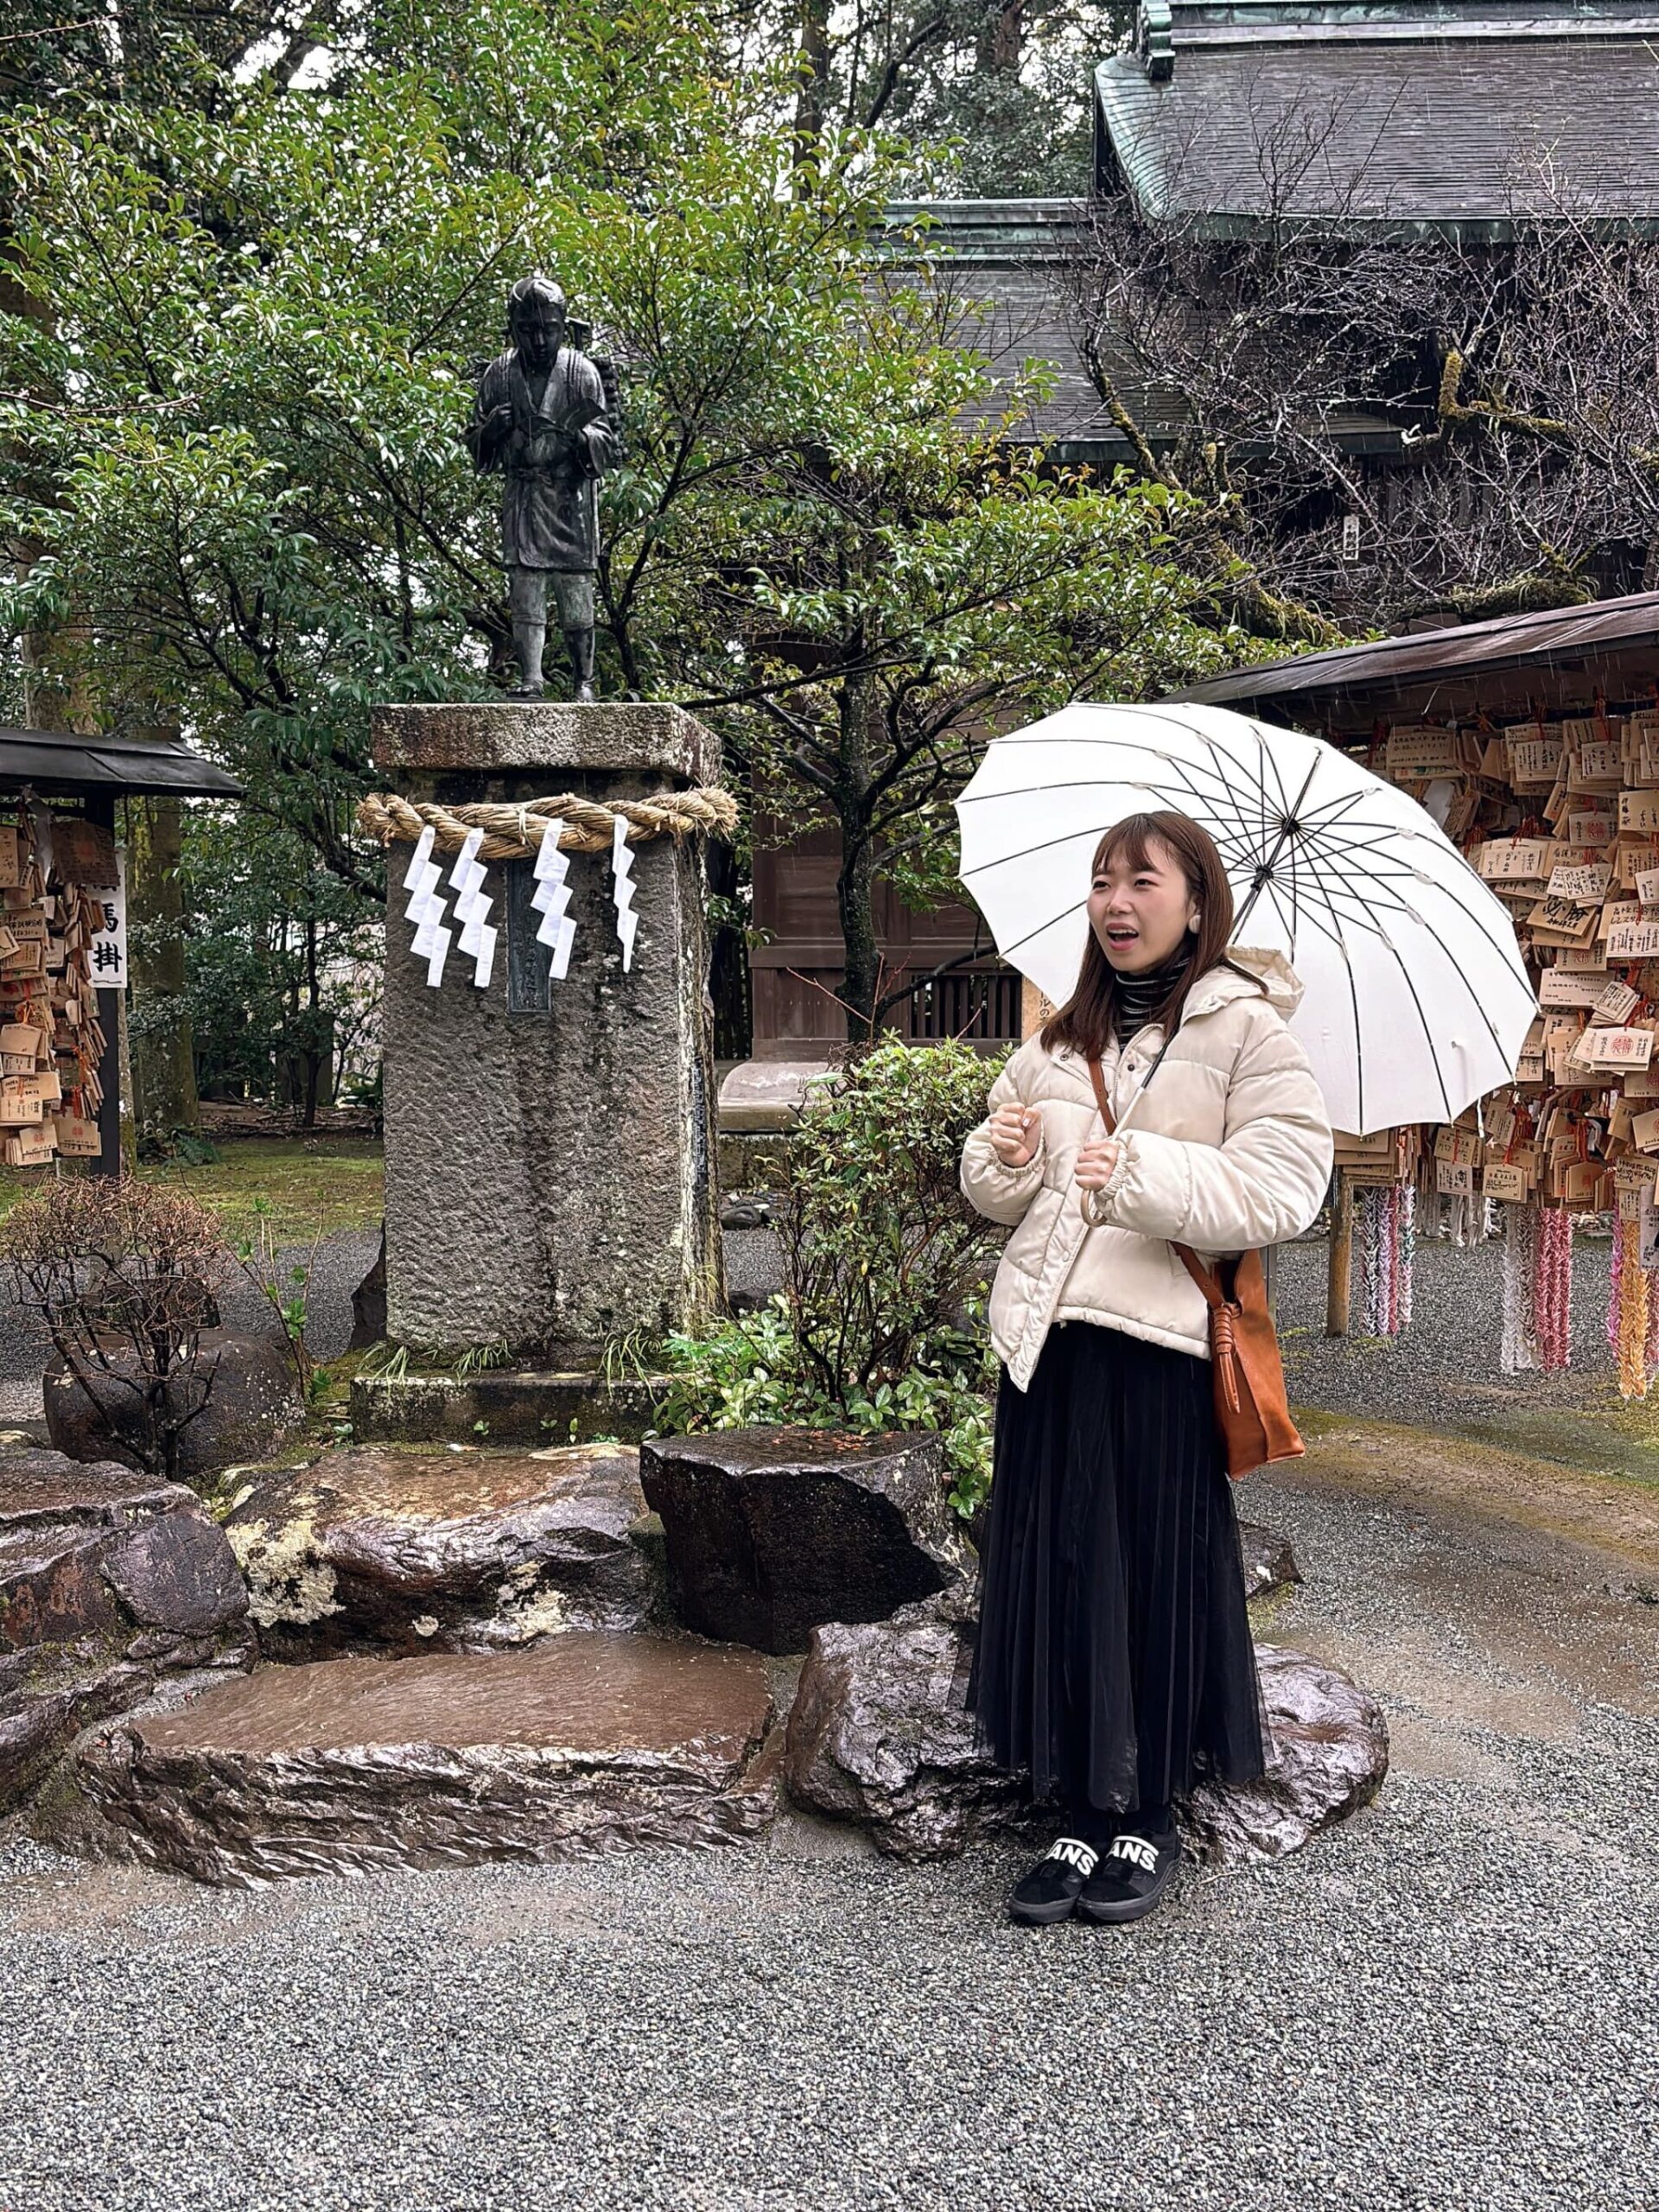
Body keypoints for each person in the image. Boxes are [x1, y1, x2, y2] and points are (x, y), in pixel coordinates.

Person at [958, 810, 1332, 1926]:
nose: (1117, 903)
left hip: (1161, 1352)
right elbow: (999, 1193)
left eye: (1143, 881)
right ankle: (1073, 1809)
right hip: (1050, 1349)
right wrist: (1002, 1156)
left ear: (1196, 899)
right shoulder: (1054, 1041)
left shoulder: (1249, 1032)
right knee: (1057, 1573)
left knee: (1154, 1580)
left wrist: (1151, 1170)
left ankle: (1149, 1815)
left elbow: (1283, 1190)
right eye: (1101, 882)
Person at [465, 273, 616, 701]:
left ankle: (583, 680)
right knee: (525, 588)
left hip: (570, 499)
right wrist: (491, 431)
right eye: (528, 330)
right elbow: (475, 444)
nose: (539, 340)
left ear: (562, 325)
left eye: (549, 329)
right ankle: (532, 677)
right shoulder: (498, 374)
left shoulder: (581, 372)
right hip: (524, 495)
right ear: (513, 326)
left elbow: (607, 438)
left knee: (575, 591)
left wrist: (581, 438)